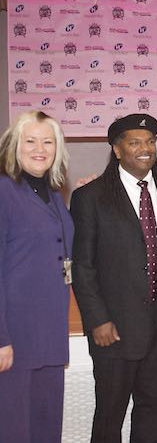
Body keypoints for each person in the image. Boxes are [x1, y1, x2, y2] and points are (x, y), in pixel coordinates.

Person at [71, 114, 157, 443]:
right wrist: (98, 320)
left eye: (150, 142)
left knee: (153, 408)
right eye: (135, 143)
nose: (145, 149)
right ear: (117, 150)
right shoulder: (90, 197)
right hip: (114, 324)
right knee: (110, 412)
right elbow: (83, 266)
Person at [0, 110, 74, 443]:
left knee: (46, 428)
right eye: (30, 141)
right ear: (15, 145)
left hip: (50, 334)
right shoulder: (4, 192)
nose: (39, 148)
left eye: (48, 141)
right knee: (14, 429)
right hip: (14, 336)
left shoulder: (53, 195)